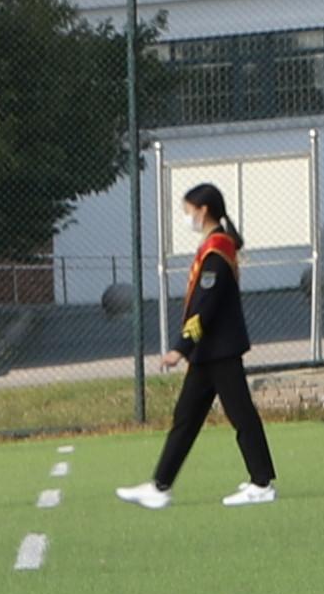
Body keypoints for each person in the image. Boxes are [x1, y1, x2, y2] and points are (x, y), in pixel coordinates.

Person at [120, 184, 279, 508]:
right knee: (186, 418)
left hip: (219, 349)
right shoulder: (212, 246)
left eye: (188, 211)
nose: (187, 217)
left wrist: (181, 347)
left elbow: (205, 304)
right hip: (208, 352)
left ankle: (261, 483)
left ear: (203, 210)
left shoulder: (217, 249)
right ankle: (160, 486)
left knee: (241, 415)